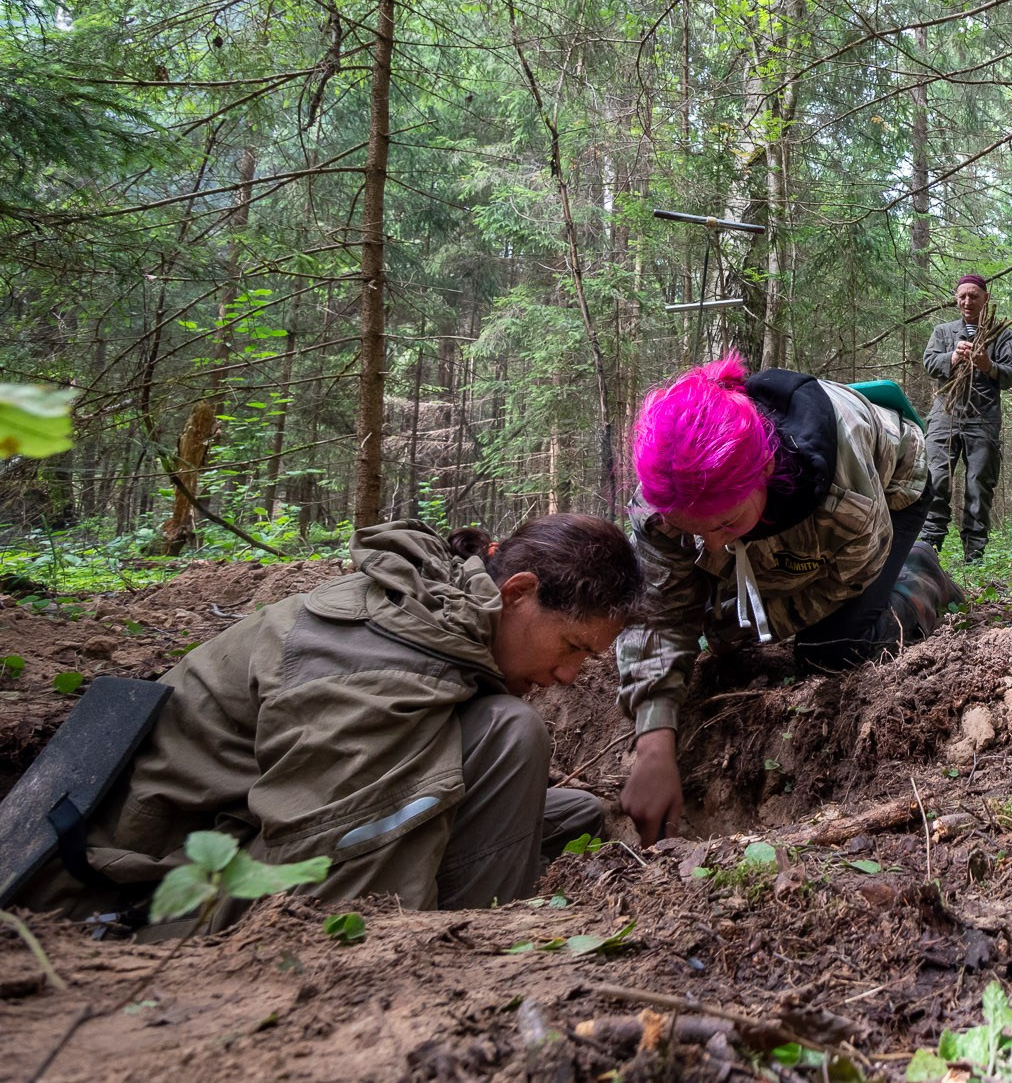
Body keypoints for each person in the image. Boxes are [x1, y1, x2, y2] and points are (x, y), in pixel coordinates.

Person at [30, 515, 643, 928]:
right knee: (512, 734)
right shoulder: (384, 664)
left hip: (240, 829)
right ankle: (468, 952)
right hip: (148, 887)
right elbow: (328, 898)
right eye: (572, 648)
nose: (569, 676)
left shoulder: (432, 615)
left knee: (576, 812)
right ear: (516, 593)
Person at [617, 355, 962, 844]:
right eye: (695, 532)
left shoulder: (844, 494)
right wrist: (653, 741)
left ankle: (922, 575)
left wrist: (739, 625)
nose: (710, 545)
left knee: (834, 650)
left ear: (764, 471)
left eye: (723, 525)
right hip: (782, 512)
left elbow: (848, 573)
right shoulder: (668, 493)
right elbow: (655, 614)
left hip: (893, 490)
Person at [920, 274, 1012, 563]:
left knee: (979, 485)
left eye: (974, 295)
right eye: (963, 296)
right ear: (956, 299)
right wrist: (952, 358)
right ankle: (929, 548)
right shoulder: (942, 332)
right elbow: (929, 363)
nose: (968, 301)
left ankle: (974, 554)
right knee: (936, 479)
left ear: (985, 299)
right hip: (945, 416)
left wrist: (988, 366)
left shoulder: (1000, 335)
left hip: (984, 418)